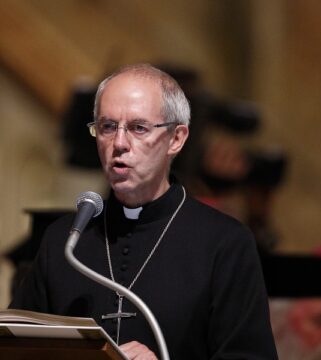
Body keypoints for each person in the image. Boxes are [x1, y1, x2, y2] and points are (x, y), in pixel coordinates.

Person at [9, 63, 278, 359]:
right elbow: (15, 347)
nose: (119, 144)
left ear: (176, 138)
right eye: (107, 127)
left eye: (138, 128)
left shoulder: (225, 244)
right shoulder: (65, 241)